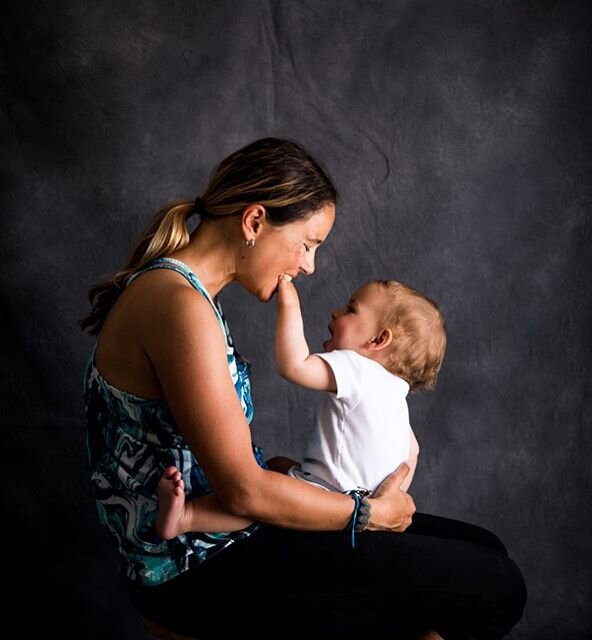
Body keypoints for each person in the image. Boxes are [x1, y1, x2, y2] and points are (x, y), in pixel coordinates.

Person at [82, 137, 526, 640]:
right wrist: (368, 513)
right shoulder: (179, 305)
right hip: (199, 570)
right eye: (307, 243)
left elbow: (220, 461)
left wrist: (299, 475)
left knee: (486, 548)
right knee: (496, 585)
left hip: (228, 537)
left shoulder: (186, 295)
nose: (309, 266)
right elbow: (244, 491)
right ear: (254, 223)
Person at [154, 277, 447, 541]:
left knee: (261, 499)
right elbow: (413, 451)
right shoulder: (396, 394)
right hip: (361, 505)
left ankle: (186, 517)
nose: (336, 313)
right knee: (277, 464)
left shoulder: (359, 367)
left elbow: (294, 365)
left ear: (378, 340)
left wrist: (290, 306)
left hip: (329, 502)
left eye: (350, 309)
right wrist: (386, 499)